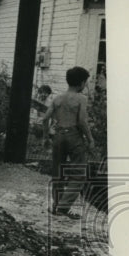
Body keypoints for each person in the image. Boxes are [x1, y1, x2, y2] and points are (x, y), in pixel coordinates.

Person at [42, 66, 94, 219]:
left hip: (58, 135)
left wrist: (46, 137)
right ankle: (63, 207)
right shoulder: (81, 99)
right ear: (82, 82)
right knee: (78, 174)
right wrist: (90, 139)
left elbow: (45, 119)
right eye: (85, 82)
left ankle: (56, 205)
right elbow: (82, 121)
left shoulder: (57, 98)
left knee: (58, 172)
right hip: (74, 136)